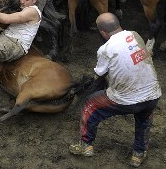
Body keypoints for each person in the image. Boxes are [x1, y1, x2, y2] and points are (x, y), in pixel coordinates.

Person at [69, 13, 162, 168]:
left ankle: (85, 145)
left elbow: (99, 74)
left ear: (102, 33)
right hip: (153, 95)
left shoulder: (105, 49)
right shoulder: (134, 34)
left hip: (125, 99)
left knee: (90, 104)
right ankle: (138, 154)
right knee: (144, 118)